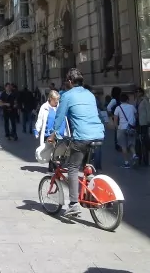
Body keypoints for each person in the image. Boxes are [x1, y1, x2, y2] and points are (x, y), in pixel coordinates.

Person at [50, 68, 105, 218]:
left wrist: (53, 134)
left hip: (82, 136)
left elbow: (60, 117)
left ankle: (73, 204)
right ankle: (90, 183)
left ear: (69, 82)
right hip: (98, 135)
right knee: (87, 166)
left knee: (73, 168)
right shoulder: (90, 94)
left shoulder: (67, 96)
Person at [113, 93, 138, 168]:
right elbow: (136, 115)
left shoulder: (118, 108)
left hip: (122, 128)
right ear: (127, 100)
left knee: (123, 146)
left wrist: (116, 127)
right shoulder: (132, 107)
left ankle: (126, 163)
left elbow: (115, 119)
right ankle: (134, 155)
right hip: (130, 128)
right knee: (131, 144)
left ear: (120, 100)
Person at [136, 87, 150, 166]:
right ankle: (139, 156)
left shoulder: (145, 100)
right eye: (137, 92)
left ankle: (146, 156)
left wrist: (149, 120)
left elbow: (148, 111)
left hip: (143, 122)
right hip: (137, 122)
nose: (138, 93)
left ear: (142, 92)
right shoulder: (136, 100)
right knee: (138, 140)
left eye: (139, 91)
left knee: (144, 138)